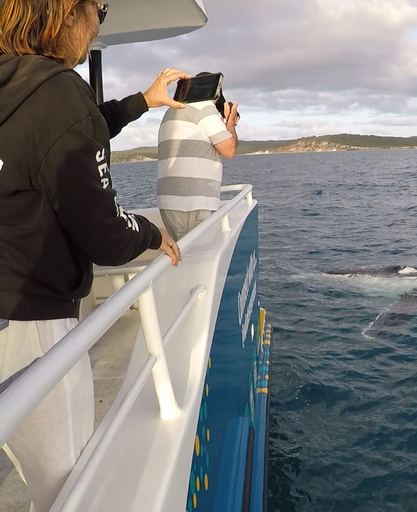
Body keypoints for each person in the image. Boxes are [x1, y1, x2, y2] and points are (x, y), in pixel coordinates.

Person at [0, 0, 186, 509]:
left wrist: (140, 102)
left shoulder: (16, 87)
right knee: (68, 483)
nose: (100, 20)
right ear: (66, 12)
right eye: (100, 8)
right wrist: (149, 233)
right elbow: (104, 232)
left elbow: (66, 136)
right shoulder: (58, 93)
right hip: (31, 318)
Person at [157, 72, 240, 240]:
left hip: (169, 203)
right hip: (193, 203)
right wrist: (230, 122)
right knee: (199, 256)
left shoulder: (171, 111)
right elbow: (229, 149)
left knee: (185, 259)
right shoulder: (203, 107)